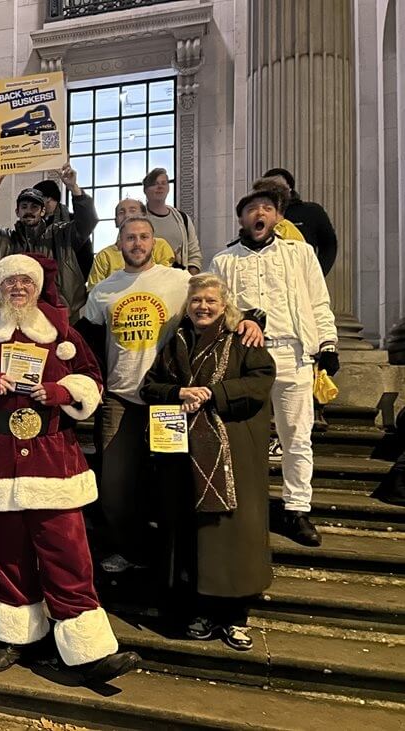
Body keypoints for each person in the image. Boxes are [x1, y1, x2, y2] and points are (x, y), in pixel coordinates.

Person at [0, 253, 139, 682]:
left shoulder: (61, 333)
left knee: (67, 551)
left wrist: (60, 391)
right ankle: (17, 636)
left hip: (52, 455)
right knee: (7, 553)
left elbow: (92, 377)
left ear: (36, 288)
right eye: (9, 282)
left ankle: (87, 646)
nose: (18, 288)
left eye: (25, 282)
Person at [82, 217, 263, 574]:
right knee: (115, 491)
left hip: (173, 399)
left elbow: (218, 302)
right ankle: (133, 551)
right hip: (122, 398)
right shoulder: (103, 289)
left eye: (144, 237)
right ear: (118, 244)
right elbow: (83, 338)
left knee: (172, 486)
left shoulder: (180, 280)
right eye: (129, 237)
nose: (137, 243)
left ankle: (173, 562)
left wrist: (252, 320)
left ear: (155, 243)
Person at [141, 273, 276, 651]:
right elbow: (149, 386)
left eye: (211, 301)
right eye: (197, 300)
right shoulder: (177, 341)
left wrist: (213, 393)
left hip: (231, 455)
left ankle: (235, 618)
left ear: (225, 305)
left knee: (233, 534)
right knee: (192, 534)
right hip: (184, 455)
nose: (203, 307)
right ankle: (199, 610)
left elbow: (261, 380)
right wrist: (177, 391)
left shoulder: (243, 339)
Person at [210, 189, 338, 547]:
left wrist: (327, 343)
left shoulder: (301, 254)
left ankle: (297, 509)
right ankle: (245, 506)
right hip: (247, 358)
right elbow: (214, 307)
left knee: (296, 436)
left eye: (267, 208)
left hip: (293, 354)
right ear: (242, 218)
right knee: (241, 438)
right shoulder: (223, 261)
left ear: (278, 217)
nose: (259, 213)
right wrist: (241, 318)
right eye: (252, 209)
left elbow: (318, 300)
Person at [0, 163, 95, 321]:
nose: (29, 211)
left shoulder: (62, 235)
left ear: (43, 211)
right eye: (24, 206)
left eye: (35, 207)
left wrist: (73, 187)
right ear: (17, 212)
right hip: (12, 317)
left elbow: (87, 222)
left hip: (57, 317)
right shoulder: (3, 239)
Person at [86, 199, 177, 288]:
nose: (127, 215)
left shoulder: (159, 245)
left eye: (132, 210)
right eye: (121, 212)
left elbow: (166, 281)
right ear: (116, 221)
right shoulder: (104, 256)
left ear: (144, 216)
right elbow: (94, 292)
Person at [263, 167, 338, 275]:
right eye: (268, 188)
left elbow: (329, 245)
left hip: (302, 275)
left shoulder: (311, 211)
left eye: (278, 187)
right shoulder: (260, 216)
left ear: (289, 188)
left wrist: (317, 274)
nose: (274, 192)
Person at [143, 168, 202, 274]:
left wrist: (190, 279)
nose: (160, 187)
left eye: (164, 183)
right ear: (146, 190)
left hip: (179, 279)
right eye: (155, 184)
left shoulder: (182, 218)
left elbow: (194, 254)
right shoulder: (136, 220)